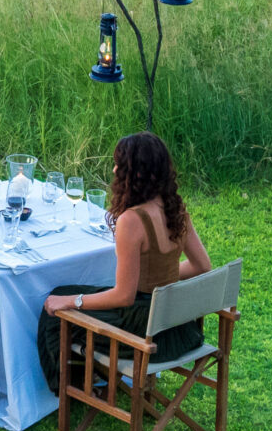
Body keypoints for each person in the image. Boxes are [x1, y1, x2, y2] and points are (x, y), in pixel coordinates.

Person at [35, 131, 212, 391]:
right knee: (64, 294)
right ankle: (90, 378)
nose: (115, 169)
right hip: (176, 323)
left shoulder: (132, 220)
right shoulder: (175, 209)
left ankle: (69, 389)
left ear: (135, 173)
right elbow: (202, 266)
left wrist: (74, 301)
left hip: (146, 328)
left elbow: (124, 297)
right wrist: (163, 278)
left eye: (120, 164)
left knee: (56, 307)